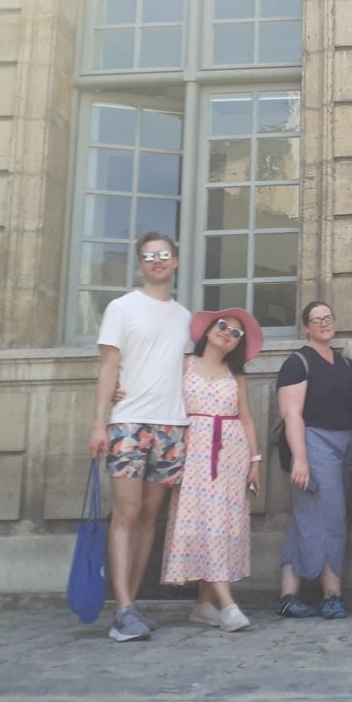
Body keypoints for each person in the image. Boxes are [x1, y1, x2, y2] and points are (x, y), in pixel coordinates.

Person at [89, 232, 191, 642]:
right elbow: (108, 368)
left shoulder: (185, 316)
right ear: (140, 264)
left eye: (164, 254)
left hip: (172, 425)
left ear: (176, 262)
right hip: (129, 423)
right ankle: (123, 608)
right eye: (149, 256)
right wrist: (100, 422)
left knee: (151, 516)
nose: (158, 260)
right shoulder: (122, 307)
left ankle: (131, 604)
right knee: (126, 514)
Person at [161, 309, 264, 631]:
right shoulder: (183, 366)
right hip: (194, 452)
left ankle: (205, 604)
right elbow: (159, 398)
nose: (227, 333)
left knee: (221, 524)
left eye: (236, 333)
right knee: (205, 523)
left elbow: (246, 418)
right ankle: (228, 605)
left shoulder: (237, 377)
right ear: (207, 330)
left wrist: (255, 461)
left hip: (231, 453)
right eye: (223, 326)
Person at [275, 301, 352, 620]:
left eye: (328, 318)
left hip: (344, 447)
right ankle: (330, 595)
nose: (323, 323)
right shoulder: (298, 362)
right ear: (305, 327)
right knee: (331, 519)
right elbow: (291, 413)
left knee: (304, 521)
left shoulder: (346, 364)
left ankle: (287, 595)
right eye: (316, 320)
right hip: (312, 444)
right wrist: (300, 459)